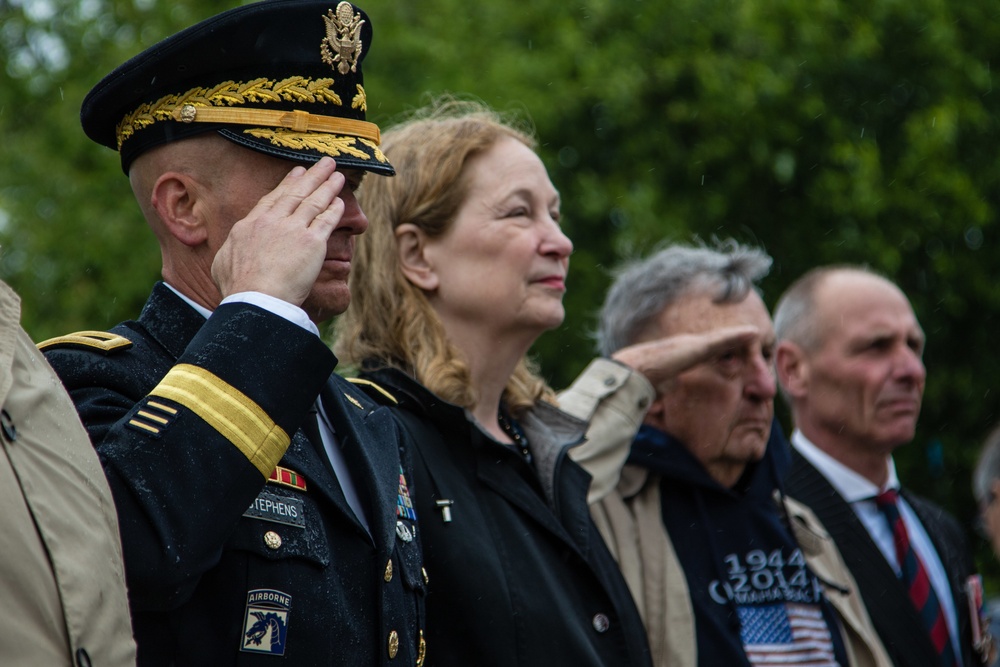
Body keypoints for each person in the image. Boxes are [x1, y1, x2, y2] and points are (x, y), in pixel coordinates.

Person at [39, 2, 426, 665]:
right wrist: (260, 310)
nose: (356, 219)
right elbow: (133, 555)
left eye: (353, 185)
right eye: (310, 186)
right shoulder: (80, 385)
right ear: (184, 206)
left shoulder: (369, 420)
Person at [334, 99, 651, 667]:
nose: (560, 241)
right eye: (519, 213)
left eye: (554, 214)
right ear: (416, 254)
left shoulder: (540, 446)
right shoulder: (372, 443)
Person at [564, 242, 891, 667]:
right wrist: (625, 380)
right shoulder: (597, 518)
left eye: (767, 355)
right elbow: (538, 471)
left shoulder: (802, 524)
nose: (766, 386)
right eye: (727, 358)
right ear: (650, 388)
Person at [774, 265, 989, 667]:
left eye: (914, 346)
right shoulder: (767, 526)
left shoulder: (940, 530)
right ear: (793, 370)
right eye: (876, 347)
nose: (912, 371)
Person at [0, 279, 136, 667]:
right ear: (185, 214)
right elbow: (146, 557)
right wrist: (259, 311)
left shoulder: (27, 361)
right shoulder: (89, 368)